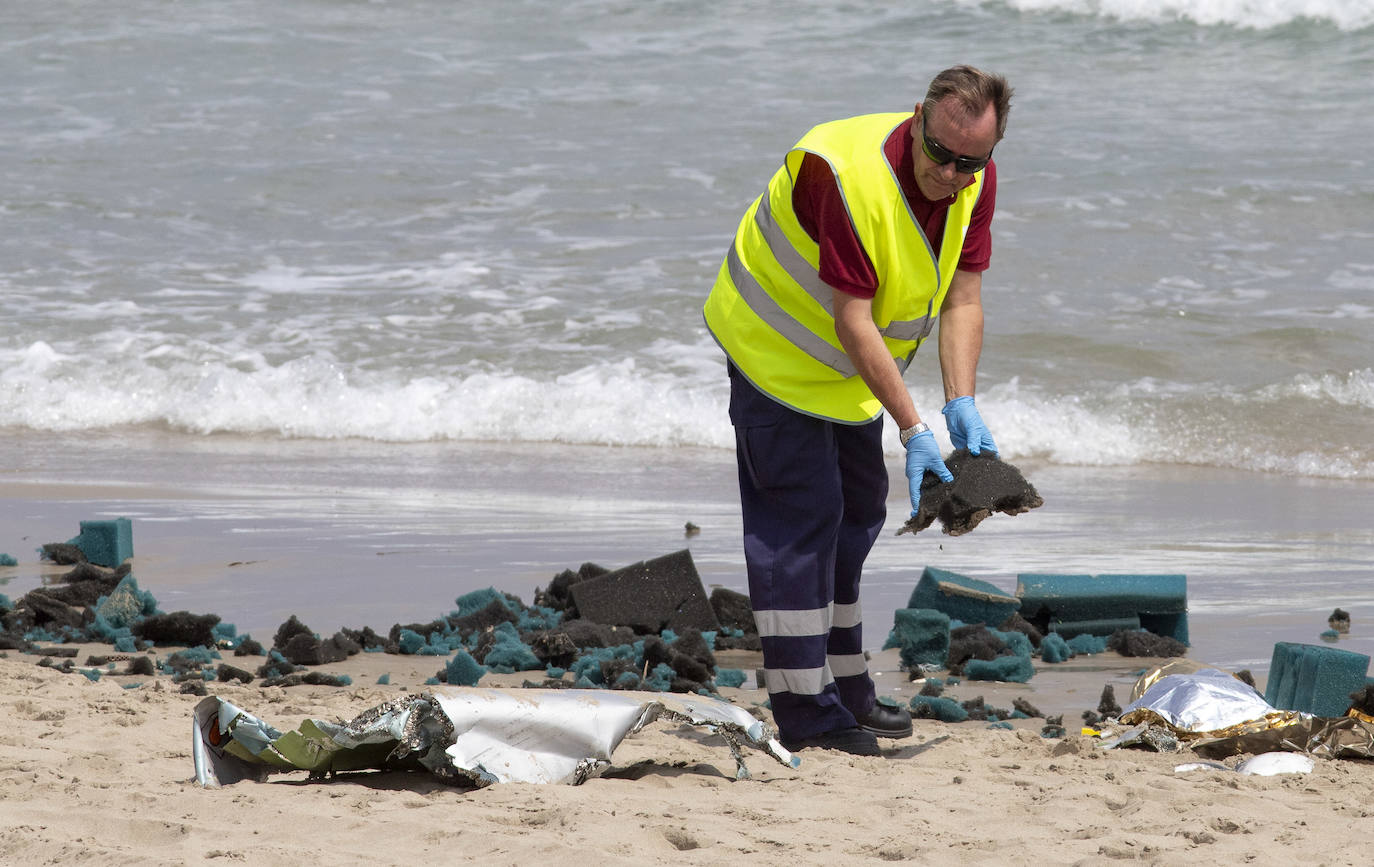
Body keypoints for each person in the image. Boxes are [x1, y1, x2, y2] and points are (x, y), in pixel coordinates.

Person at [702, 65, 1012, 756]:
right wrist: (914, 427)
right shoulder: (843, 175)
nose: (953, 174)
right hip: (774, 351)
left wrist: (960, 399)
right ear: (917, 120)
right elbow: (852, 317)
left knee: (860, 509)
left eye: (972, 161)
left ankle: (845, 686)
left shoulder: (974, 181)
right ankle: (807, 714)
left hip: (846, 376)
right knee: (801, 518)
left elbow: (963, 297)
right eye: (941, 154)